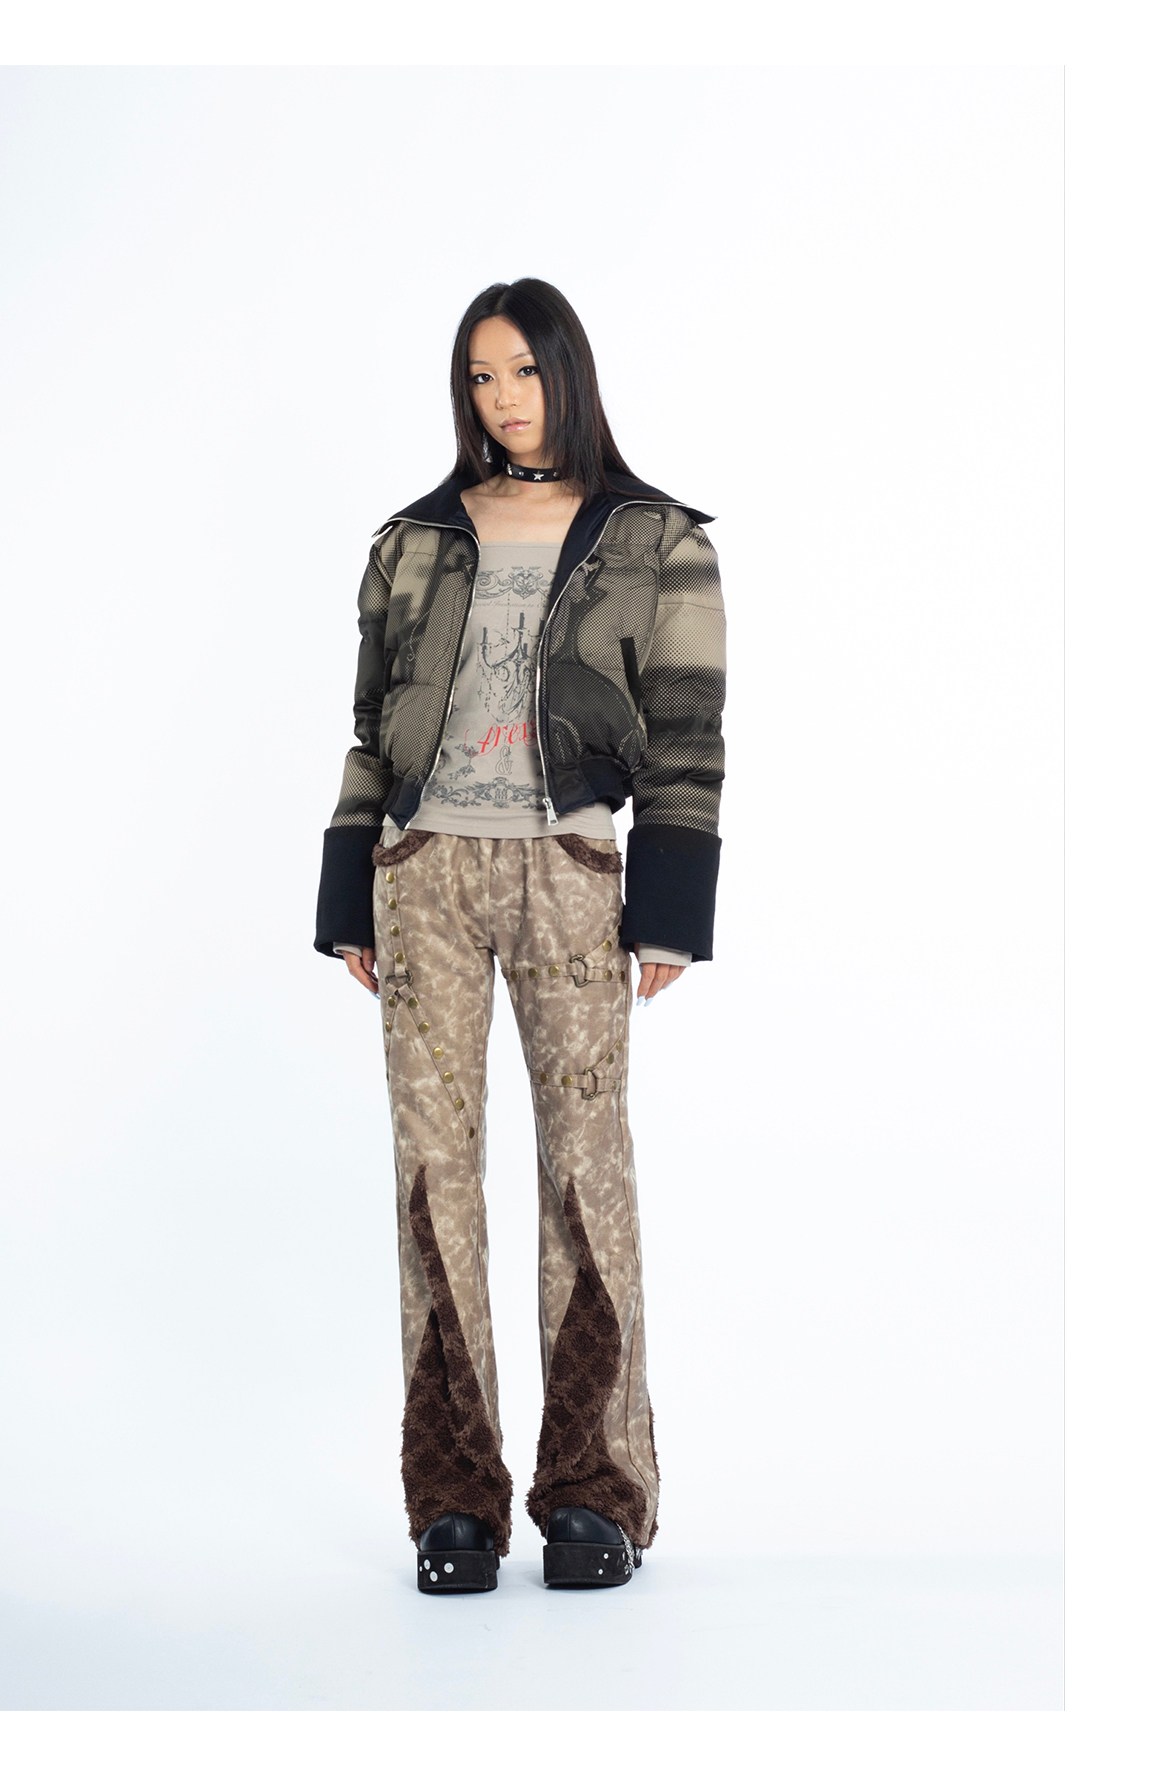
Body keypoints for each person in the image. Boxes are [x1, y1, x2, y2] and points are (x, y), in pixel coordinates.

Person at [314, 278, 725, 1592]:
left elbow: (687, 732)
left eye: (524, 372)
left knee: (583, 1173)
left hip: (570, 871)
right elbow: (373, 728)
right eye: (481, 377)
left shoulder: (655, 540)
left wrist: (669, 912)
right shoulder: (412, 541)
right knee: (432, 1177)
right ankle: (453, 1502)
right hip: (422, 871)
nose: (503, 399)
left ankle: (594, 1496)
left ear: (568, 372)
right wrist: (347, 892)